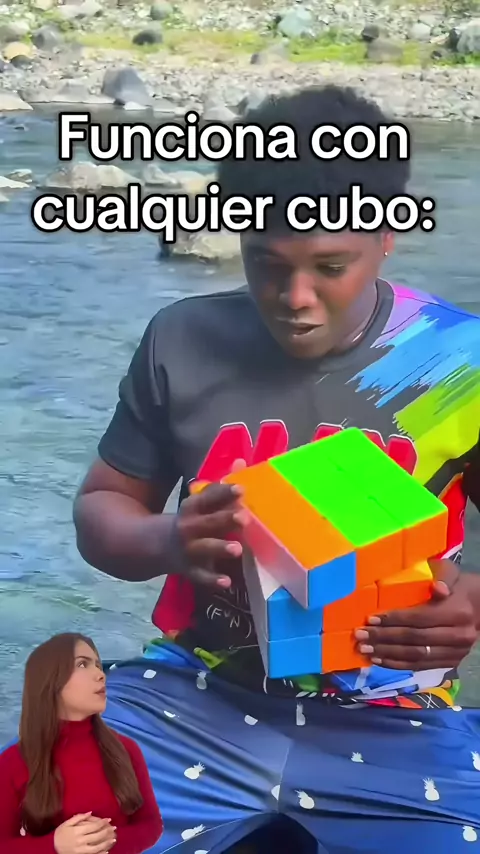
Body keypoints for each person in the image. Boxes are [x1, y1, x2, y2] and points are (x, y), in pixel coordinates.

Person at [73, 85, 480, 854]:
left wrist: (474, 603)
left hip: (396, 718)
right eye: (267, 263)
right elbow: (103, 503)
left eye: (331, 266)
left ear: (388, 234)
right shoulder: (183, 340)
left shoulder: (459, 364)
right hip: (192, 697)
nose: (296, 298)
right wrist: (166, 540)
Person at [0, 633, 163, 854]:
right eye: (83, 664)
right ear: (51, 680)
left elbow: (151, 825)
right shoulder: (12, 763)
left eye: (98, 665)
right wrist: (54, 846)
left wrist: (108, 841)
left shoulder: (126, 749)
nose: (100, 674)